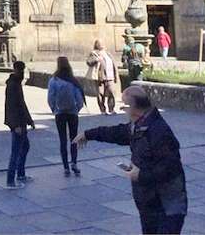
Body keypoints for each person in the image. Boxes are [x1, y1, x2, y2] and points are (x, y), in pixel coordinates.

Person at [75, 85, 188, 235]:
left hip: (167, 207)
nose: (123, 110)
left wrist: (140, 175)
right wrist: (88, 134)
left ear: (132, 108)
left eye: (124, 106)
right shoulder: (139, 125)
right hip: (149, 203)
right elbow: (115, 133)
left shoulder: (159, 131)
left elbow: (170, 168)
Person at [47, 56, 86, 177]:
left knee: (62, 140)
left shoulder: (54, 80)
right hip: (72, 113)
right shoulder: (72, 80)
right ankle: (74, 162)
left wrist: (54, 109)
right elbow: (79, 98)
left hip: (60, 113)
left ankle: (65, 167)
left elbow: (50, 97)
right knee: (74, 139)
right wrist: (77, 109)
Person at [3, 60, 35, 188]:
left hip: (21, 121)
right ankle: (10, 180)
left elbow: (22, 104)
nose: (22, 73)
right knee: (15, 151)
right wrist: (15, 125)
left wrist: (29, 120)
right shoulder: (13, 85)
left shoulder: (16, 83)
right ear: (16, 70)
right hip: (17, 123)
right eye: (21, 70)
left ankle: (21, 174)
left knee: (25, 146)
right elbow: (12, 106)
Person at [86, 40, 118, 114]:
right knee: (101, 93)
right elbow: (89, 62)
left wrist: (116, 75)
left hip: (110, 76)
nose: (103, 45)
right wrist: (96, 59)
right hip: (100, 77)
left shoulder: (108, 54)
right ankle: (103, 109)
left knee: (112, 92)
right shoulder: (94, 53)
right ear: (97, 45)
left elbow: (114, 65)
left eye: (103, 44)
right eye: (100, 44)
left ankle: (111, 108)